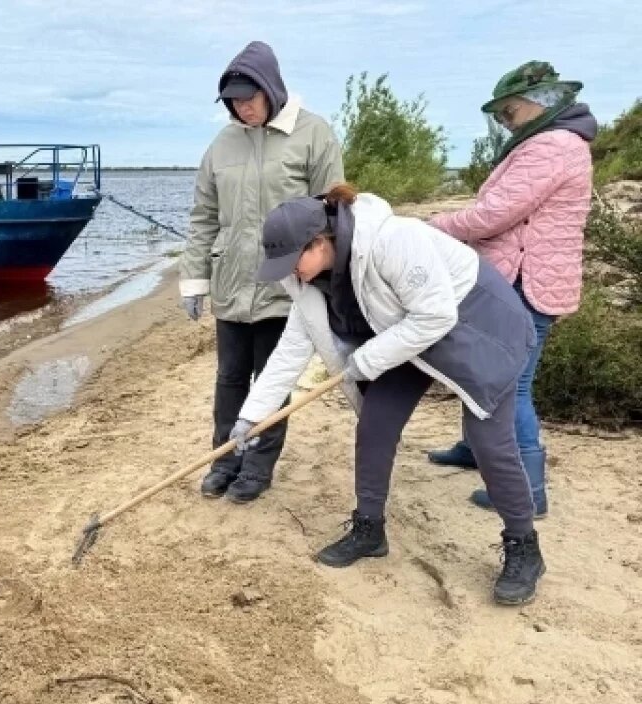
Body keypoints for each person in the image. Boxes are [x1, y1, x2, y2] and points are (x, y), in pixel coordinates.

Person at [232, 184, 545, 605]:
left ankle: (524, 546)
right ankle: (369, 529)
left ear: (319, 242)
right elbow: (291, 350)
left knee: (489, 441)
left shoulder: (392, 240)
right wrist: (252, 415)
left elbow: (435, 315)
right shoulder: (304, 280)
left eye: (292, 262)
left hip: (477, 323)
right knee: (376, 425)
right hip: (403, 332)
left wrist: (365, 360)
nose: (289, 273)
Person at [425, 61, 596, 518]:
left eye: (509, 111)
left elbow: (493, 215)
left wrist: (432, 227)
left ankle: (528, 491)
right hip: (521, 278)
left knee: (510, 385)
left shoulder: (551, 145)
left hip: (524, 281)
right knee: (479, 371)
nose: (504, 121)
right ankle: (475, 449)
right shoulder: (554, 141)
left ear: (541, 102)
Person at [179, 41, 344, 504]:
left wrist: (327, 283)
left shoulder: (313, 134)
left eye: (249, 98)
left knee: (272, 378)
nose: (242, 108)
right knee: (229, 377)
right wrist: (194, 279)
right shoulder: (221, 145)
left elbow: (332, 213)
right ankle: (224, 460)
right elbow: (203, 218)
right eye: (233, 101)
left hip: (287, 282)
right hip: (232, 282)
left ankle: (257, 467)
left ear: (271, 89)